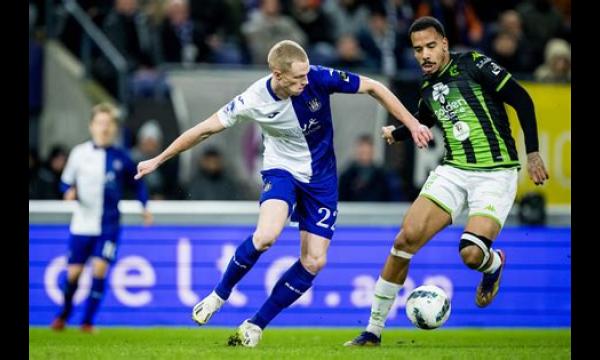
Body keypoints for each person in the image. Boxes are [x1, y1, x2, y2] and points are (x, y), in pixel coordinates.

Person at [134, 39, 432, 347]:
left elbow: (374, 87)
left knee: (314, 261)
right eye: (297, 78)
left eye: (306, 75)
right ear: (277, 74)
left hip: (322, 179)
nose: (306, 81)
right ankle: (218, 295)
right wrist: (158, 159)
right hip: (282, 171)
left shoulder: (318, 77)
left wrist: (411, 124)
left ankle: (255, 325)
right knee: (266, 236)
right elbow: (203, 129)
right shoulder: (253, 99)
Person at [344, 16, 549, 346]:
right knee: (404, 241)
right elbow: (426, 119)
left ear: (443, 44)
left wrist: (534, 152)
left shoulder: (474, 64)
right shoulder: (427, 87)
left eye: (429, 46)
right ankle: (373, 331)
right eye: (417, 49)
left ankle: (493, 265)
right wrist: (399, 133)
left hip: (495, 172)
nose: (423, 54)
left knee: (471, 255)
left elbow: (522, 98)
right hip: (453, 171)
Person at [50, 103, 153, 333]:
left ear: (115, 128)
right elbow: (65, 181)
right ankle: (64, 315)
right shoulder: (79, 154)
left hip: (108, 226)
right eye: (100, 123)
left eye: (108, 124)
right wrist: (68, 191)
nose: (104, 128)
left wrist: (144, 206)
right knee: (73, 274)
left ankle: (87, 322)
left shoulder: (121, 158)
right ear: (91, 126)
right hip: (82, 224)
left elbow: (138, 184)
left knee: (99, 270)